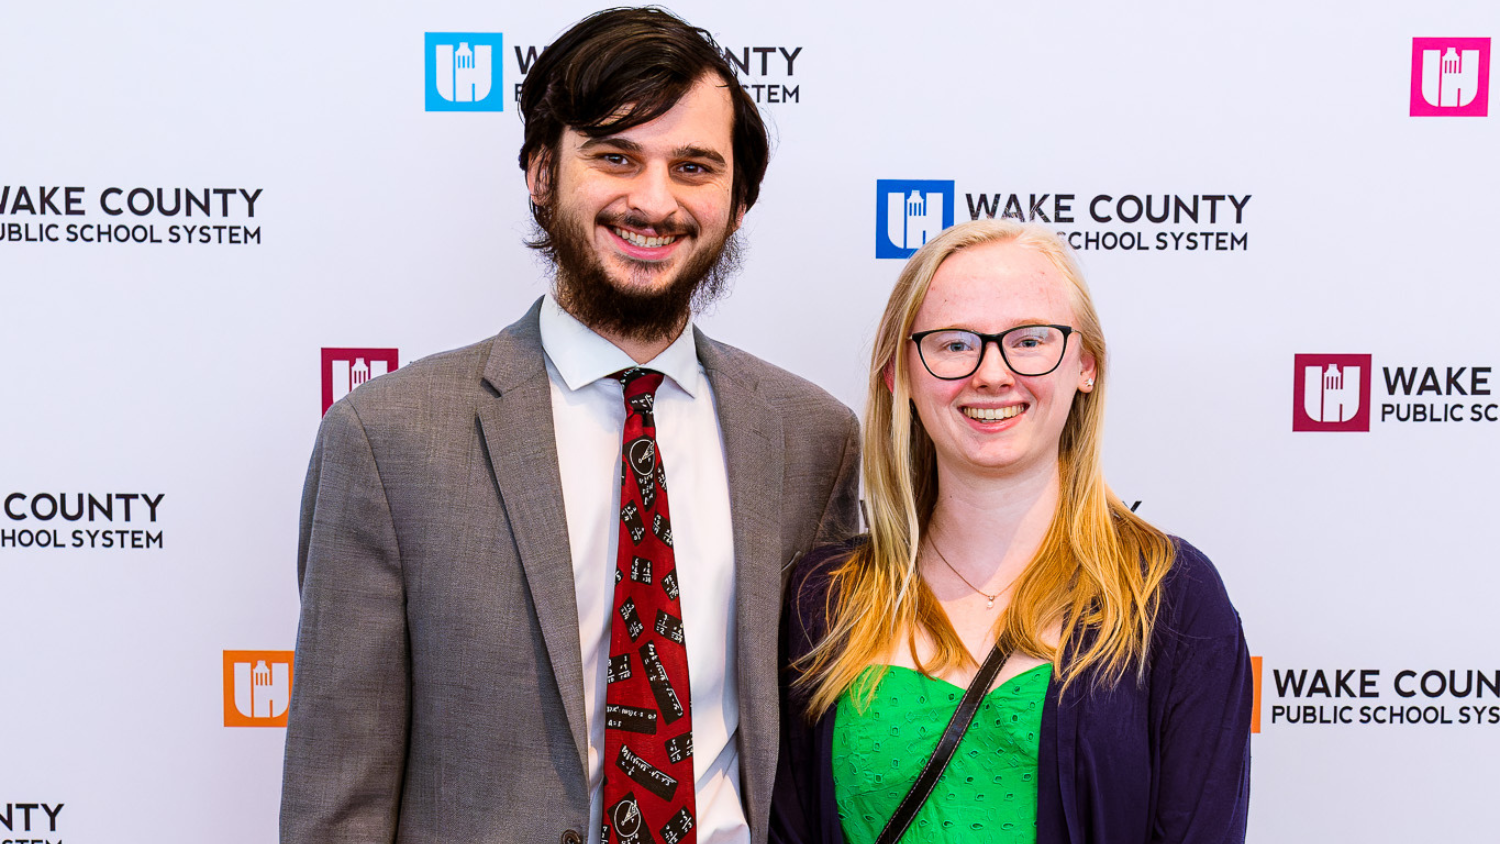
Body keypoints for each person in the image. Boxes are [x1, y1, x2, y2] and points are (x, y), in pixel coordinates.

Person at [280, 8, 861, 844]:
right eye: (616, 156)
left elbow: (819, 753)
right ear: (542, 173)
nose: (654, 201)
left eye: (694, 167)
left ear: (737, 204)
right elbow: (337, 800)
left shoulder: (812, 437)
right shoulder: (388, 439)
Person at [771, 220, 1251, 844]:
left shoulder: (1173, 597)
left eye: (1029, 341)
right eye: (952, 344)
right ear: (900, 375)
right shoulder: (825, 598)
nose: (992, 374)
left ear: (1086, 366)